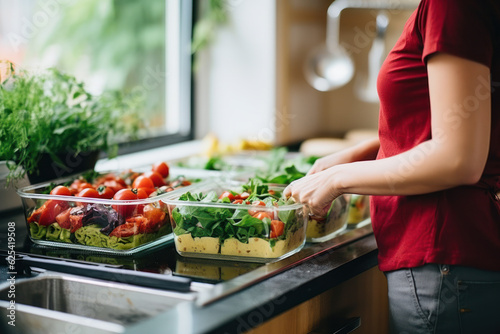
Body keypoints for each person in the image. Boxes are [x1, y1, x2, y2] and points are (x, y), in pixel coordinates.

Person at [284, 0, 500, 332]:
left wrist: (338, 179)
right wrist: (365, 150)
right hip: (458, 257)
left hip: (444, 256)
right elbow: (455, 126)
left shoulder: (451, 6)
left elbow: (458, 159)